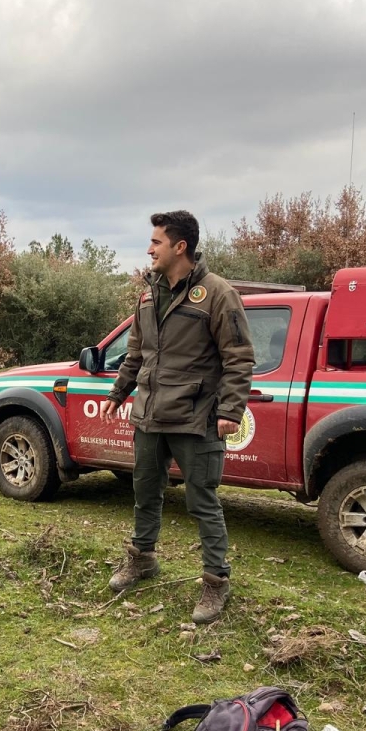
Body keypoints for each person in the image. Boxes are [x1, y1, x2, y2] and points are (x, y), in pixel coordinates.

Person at [100, 211, 254, 623]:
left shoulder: (218, 294)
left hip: (195, 418)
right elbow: (137, 352)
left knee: (202, 502)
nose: (149, 249)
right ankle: (142, 559)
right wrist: (119, 392)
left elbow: (239, 358)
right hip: (149, 414)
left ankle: (216, 581)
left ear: (179, 246)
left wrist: (230, 411)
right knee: (144, 493)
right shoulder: (148, 293)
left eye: (156, 242)